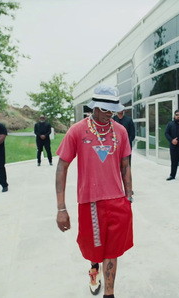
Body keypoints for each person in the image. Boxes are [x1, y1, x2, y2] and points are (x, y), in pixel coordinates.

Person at [55, 84, 133, 298]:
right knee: (94, 248)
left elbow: (125, 166)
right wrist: (61, 208)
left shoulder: (121, 131)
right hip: (90, 202)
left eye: (114, 110)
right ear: (95, 108)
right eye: (106, 109)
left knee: (112, 251)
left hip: (117, 201)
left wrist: (129, 196)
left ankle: (109, 294)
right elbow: (62, 166)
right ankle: (93, 268)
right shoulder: (77, 130)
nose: (111, 114)